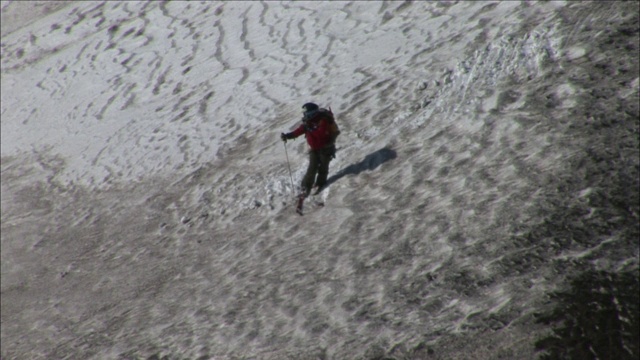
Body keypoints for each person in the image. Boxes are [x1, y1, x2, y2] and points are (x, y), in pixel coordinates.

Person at [281, 102, 340, 199]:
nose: (305, 116)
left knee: (323, 167)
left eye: (307, 114)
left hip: (326, 148)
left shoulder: (323, 120)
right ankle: (306, 186)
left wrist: (309, 129)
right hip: (314, 149)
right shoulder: (308, 123)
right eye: (305, 114)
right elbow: (298, 131)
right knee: (312, 167)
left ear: (312, 113)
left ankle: (320, 183)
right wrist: (288, 136)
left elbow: (321, 134)